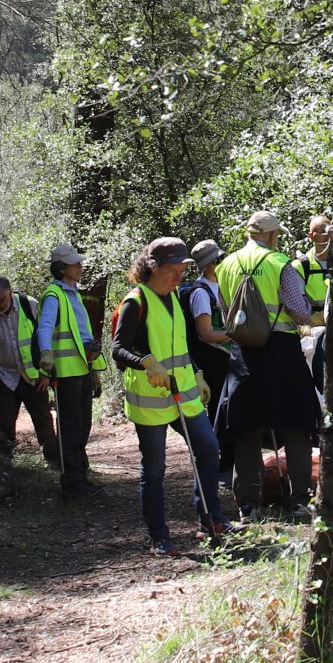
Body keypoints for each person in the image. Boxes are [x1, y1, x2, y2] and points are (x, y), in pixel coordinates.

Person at [111, 237, 230, 554]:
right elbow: (118, 350)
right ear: (154, 268)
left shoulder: (176, 295)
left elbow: (182, 343)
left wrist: (198, 373)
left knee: (208, 448)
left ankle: (211, 519)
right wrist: (145, 361)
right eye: (174, 270)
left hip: (185, 393)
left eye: (182, 270)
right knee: (154, 469)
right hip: (150, 399)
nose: (179, 276)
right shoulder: (136, 301)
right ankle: (159, 538)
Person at [215, 210, 322, 517]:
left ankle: (247, 505)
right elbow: (301, 313)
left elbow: (226, 312)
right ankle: (300, 500)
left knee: (246, 427)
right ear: (273, 235)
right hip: (282, 350)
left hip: (243, 354)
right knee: (297, 424)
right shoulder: (280, 264)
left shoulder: (225, 265)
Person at [35, 242, 101, 495]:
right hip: (65, 371)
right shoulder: (54, 295)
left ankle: (80, 476)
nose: (80, 267)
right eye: (75, 263)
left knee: (83, 423)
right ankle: (72, 481)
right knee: (72, 425)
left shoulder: (72, 293)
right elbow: (45, 328)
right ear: (62, 268)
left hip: (82, 367)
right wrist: (47, 358)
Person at [0, 276, 54, 465]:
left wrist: (46, 373)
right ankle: (4, 464)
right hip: (6, 377)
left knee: (44, 421)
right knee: (3, 423)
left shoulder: (29, 305)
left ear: (10, 292)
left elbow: (49, 337)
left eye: (1, 300)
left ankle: (53, 462)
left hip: (34, 377)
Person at [182, 239, 234, 428]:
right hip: (213, 359)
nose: (222, 261)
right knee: (219, 409)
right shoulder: (201, 293)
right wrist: (237, 333)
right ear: (208, 264)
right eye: (219, 258)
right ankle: (220, 453)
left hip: (226, 356)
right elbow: (206, 334)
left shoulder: (221, 285)